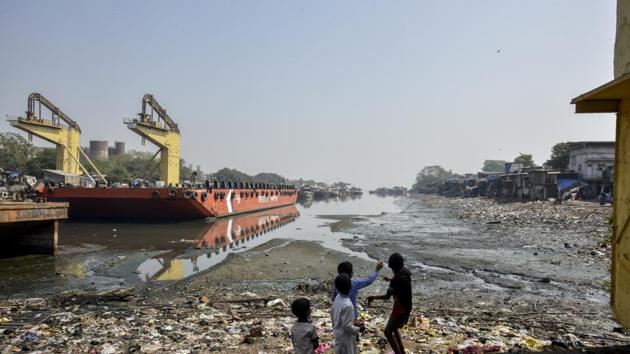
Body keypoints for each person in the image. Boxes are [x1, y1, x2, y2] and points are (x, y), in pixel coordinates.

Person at [367, 253, 412, 354]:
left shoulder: (395, 281)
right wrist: (391, 279)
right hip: (407, 307)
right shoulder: (406, 273)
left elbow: (387, 297)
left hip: (399, 309)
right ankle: (402, 352)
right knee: (394, 328)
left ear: (393, 267)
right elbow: (400, 281)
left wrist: (372, 297)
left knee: (387, 332)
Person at [331, 274, 364, 354]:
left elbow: (333, 313)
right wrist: (359, 329)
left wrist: (355, 323)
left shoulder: (337, 298)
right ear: (350, 286)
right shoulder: (348, 305)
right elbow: (347, 326)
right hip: (346, 338)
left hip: (338, 333)